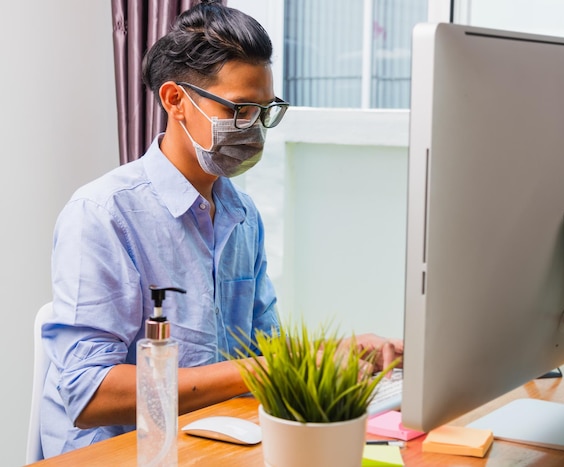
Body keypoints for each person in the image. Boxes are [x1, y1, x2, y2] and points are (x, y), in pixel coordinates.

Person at [40, 0, 403, 458]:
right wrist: (261, 372)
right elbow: (88, 393)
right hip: (119, 455)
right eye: (240, 110)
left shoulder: (241, 215)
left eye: (265, 112)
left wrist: (338, 353)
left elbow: (264, 350)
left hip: (211, 443)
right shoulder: (103, 214)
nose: (254, 131)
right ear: (175, 100)